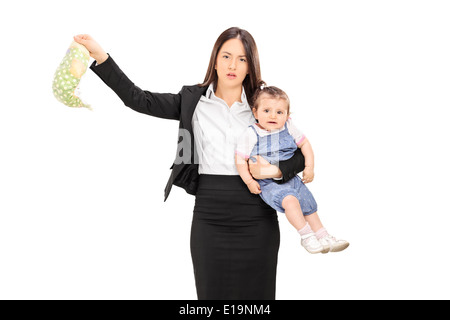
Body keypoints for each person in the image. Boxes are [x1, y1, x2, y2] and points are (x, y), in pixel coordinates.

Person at [73, 27, 306, 300]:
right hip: (210, 213)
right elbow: (138, 99)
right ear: (215, 60)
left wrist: (275, 170)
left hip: (257, 214)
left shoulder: (264, 104)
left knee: (258, 298)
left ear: (250, 66)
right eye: (226, 56)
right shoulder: (191, 100)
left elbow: (299, 154)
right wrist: (102, 57)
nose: (232, 65)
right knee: (210, 297)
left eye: (242, 59)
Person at [235, 86, 349, 254]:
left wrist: (310, 167)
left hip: (291, 178)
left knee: (309, 205)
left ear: (287, 116)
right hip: (269, 183)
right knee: (290, 201)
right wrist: (249, 181)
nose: (273, 116)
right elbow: (240, 159)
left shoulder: (288, 127)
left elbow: (305, 144)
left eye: (279, 112)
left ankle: (323, 235)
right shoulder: (251, 133)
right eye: (267, 110)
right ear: (255, 112)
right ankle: (306, 236)